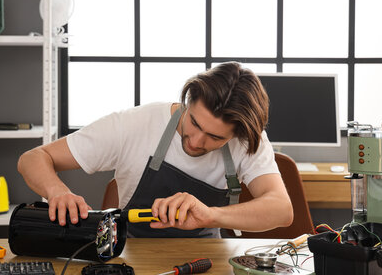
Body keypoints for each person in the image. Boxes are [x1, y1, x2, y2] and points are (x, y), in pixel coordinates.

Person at [18, 62, 293, 237]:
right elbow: (33, 158)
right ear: (187, 101)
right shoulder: (135, 124)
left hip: (207, 257)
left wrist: (210, 216)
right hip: (132, 255)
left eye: (215, 137)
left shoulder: (248, 139)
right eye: (194, 123)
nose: (196, 141)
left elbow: (281, 209)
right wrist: (58, 192)